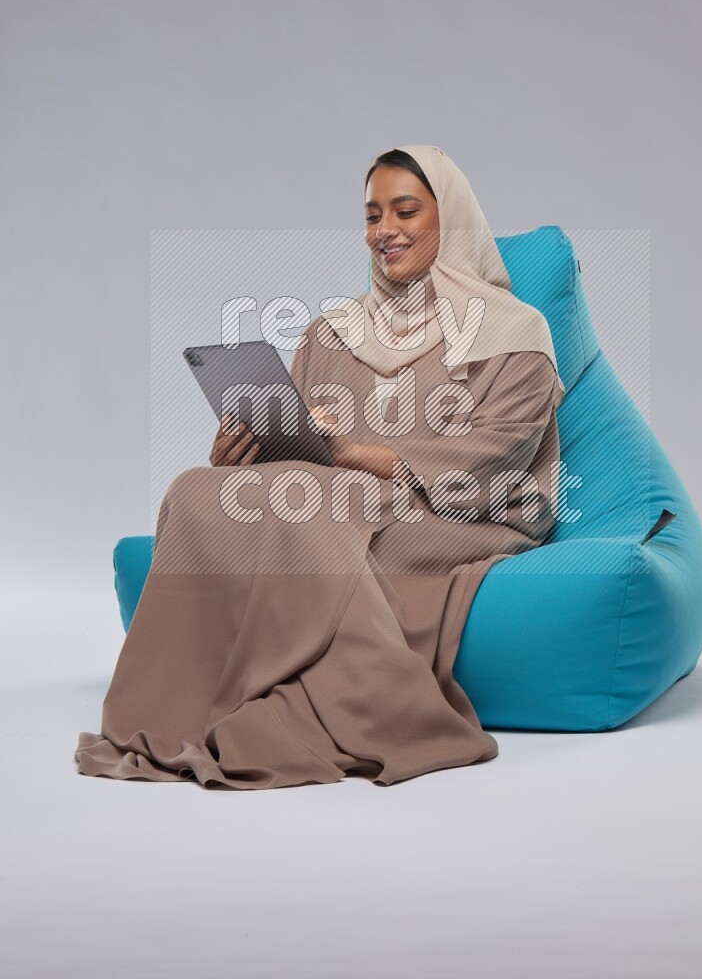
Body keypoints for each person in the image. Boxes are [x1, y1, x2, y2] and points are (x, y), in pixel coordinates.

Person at [74, 144, 565, 789]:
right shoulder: (333, 331)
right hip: (330, 500)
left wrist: (349, 457)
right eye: (371, 216)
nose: (384, 230)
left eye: (406, 211)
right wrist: (241, 455)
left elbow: (496, 456)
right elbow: (300, 449)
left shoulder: (513, 331)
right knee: (197, 490)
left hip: (458, 509)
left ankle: (329, 705)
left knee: (321, 507)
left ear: (452, 220)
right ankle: (175, 702)